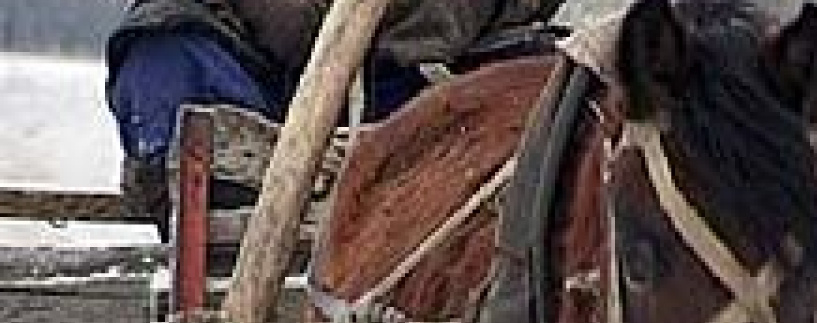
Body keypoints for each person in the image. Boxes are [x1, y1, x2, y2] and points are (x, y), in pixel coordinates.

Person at [105, 0, 566, 236]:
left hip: (432, 78)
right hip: (263, 83)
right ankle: (229, 247)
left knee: (557, 90)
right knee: (163, 60)